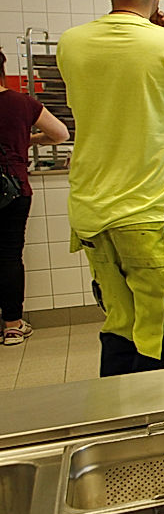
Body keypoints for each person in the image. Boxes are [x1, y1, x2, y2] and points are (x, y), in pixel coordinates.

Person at [56, 0, 164, 374]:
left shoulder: (70, 44)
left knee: (119, 320)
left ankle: (114, 420)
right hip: (146, 211)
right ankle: (153, 422)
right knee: (159, 324)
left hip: (90, 209)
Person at [0, 48, 70, 345]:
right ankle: (13, 325)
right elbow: (61, 134)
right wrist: (27, 139)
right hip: (12, 187)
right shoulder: (21, 102)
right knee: (9, 256)